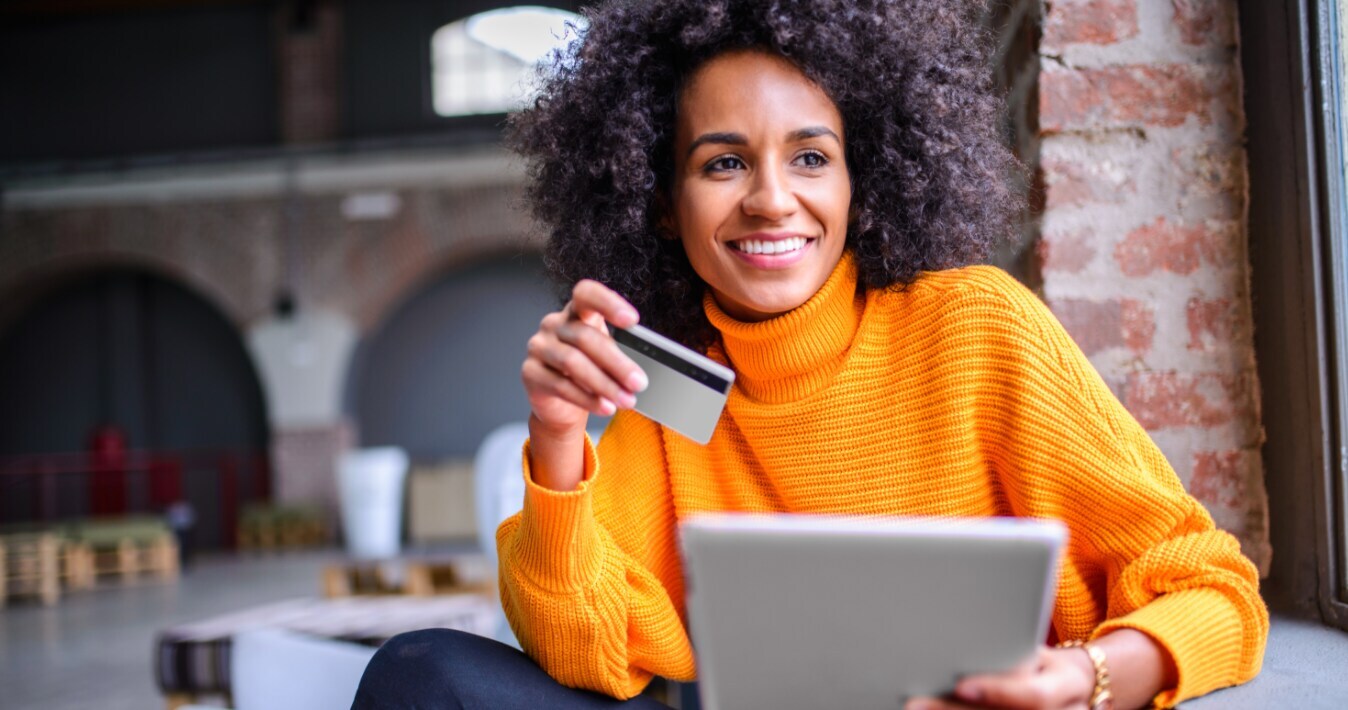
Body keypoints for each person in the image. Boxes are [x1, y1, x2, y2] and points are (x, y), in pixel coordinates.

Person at [352, 1, 1268, 708]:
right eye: (722, 163)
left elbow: (1216, 590)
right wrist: (557, 440)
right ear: (661, 202)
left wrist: (1084, 677)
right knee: (421, 671)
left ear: (862, 178)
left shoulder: (975, 328)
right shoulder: (663, 381)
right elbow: (581, 651)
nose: (770, 200)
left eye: (811, 157)